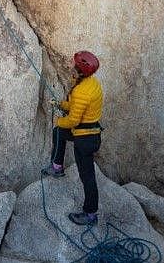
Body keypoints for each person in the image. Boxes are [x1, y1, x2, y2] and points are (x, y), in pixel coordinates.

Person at [42, 51, 103, 226]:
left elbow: (73, 120)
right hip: (90, 134)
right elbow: (77, 107)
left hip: (85, 140)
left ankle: (90, 214)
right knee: (58, 132)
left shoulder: (82, 91)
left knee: (87, 177)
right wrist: (61, 104)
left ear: (80, 70)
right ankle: (57, 166)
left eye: (74, 66)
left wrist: (59, 119)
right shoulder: (91, 83)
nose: (71, 67)